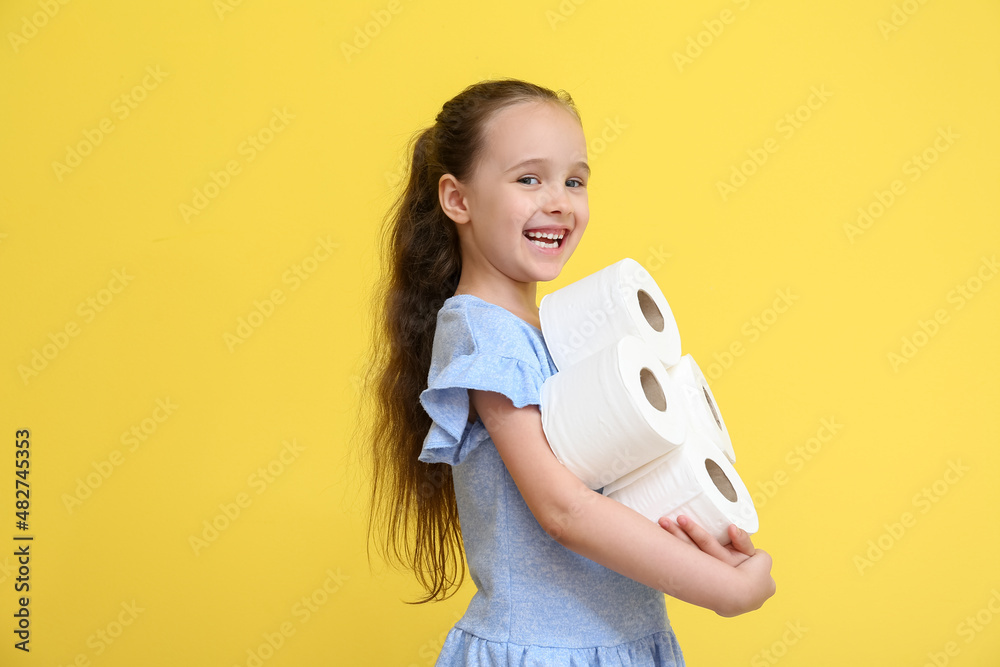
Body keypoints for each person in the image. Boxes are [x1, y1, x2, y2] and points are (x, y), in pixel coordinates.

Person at [363, 77, 775, 666]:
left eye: (574, 180)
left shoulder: (560, 335)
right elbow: (563, 511)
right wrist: (725, 590)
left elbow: (617, 491)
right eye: (529, 178)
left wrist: (705, 548)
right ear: (458, 200)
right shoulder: (486, 335)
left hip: (621, 642)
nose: (558, 199)